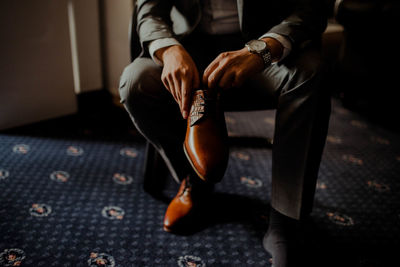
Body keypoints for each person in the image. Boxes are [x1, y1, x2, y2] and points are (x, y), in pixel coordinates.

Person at [119, 0, 331, 266]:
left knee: (310, 74)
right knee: (135, 83)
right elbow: (148, 9)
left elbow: (314, 6)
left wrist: (263, 49)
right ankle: (193, 180)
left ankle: (285, 222)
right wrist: (168, 48)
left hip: (263, 45)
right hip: (188, 43)